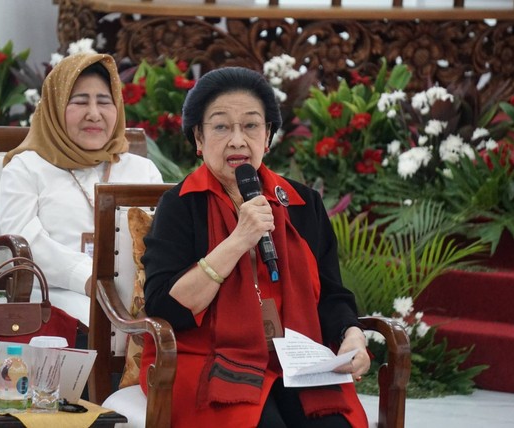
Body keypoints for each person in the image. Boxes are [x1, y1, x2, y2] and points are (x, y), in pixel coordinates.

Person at [139, 66, 370, 427]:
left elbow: (332, 295)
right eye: (220, 126)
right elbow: (165, 306)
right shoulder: (181, 205)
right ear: (198, 138)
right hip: (206, 361)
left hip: (296, 360)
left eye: (250, 125)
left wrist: (352, 336)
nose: (237, 140)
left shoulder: (301, 203)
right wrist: (238, 241)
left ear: (267, 138)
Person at [0, 53, 163, 326]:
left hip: (134, 293)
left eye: (104, 102)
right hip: (55, 293)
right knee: (96, 319)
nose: (94, 114)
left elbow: (160, 237)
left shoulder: (142, 170)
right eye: (80, 102)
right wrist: (86, 276)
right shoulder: (26, 167)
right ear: (54, 106)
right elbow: (23, 240)